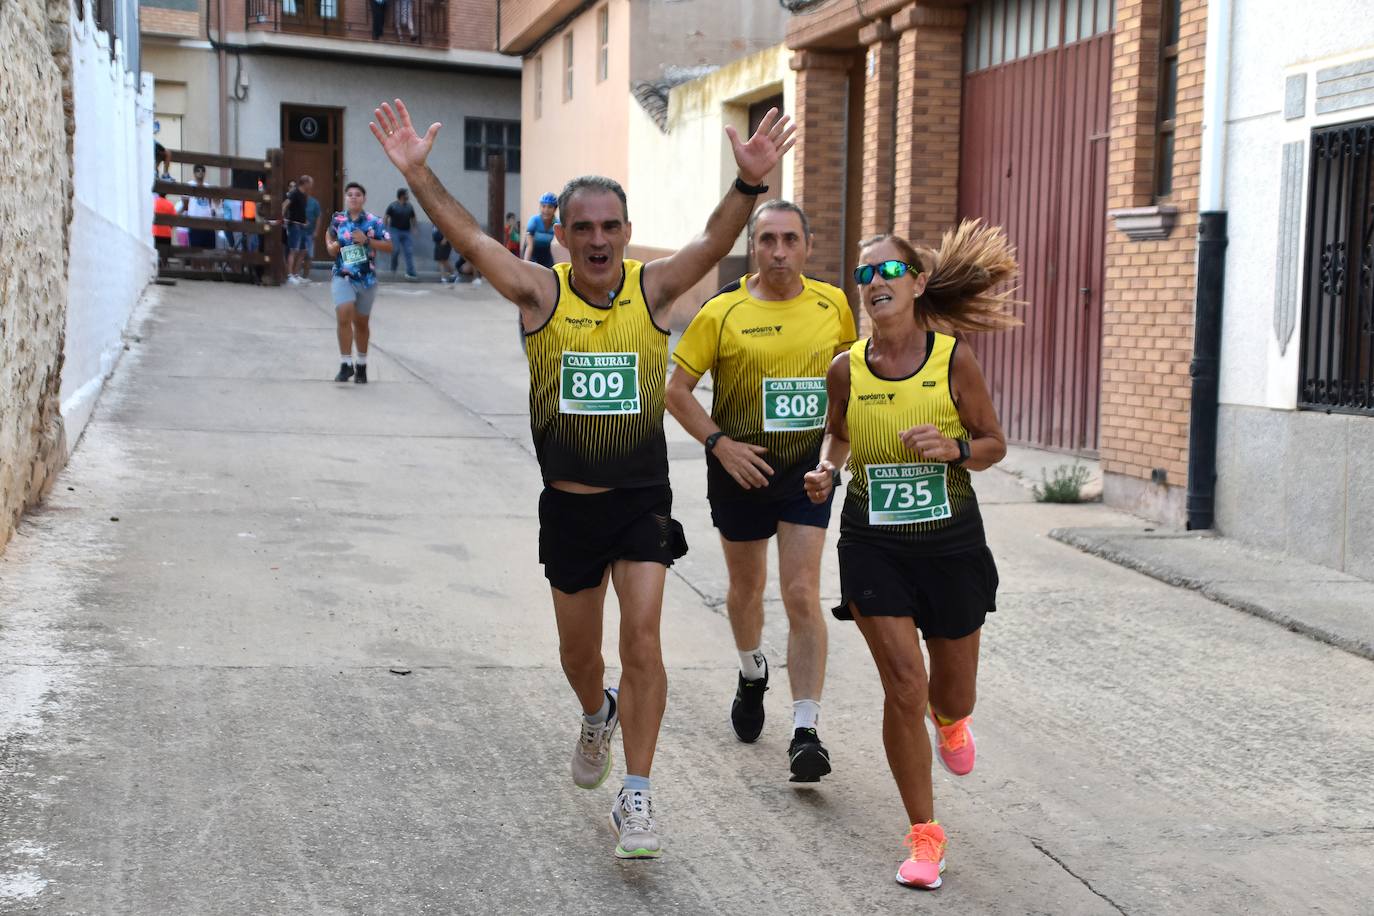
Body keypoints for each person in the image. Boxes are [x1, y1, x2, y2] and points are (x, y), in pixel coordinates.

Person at [370, 97, 794, 859]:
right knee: (581, 657)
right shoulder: (540, 294)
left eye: (610, 226)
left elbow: (710, 241)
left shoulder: (654, 291)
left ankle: (637, 796)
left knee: (643, 641)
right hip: (567, 511)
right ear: (561, 236)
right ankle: (595, 714)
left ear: (626, 234)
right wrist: (420, 173)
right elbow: (468, 237)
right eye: (583, 227)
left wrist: (748, 186)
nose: (598, 239)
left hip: (640, 504)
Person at [801, 221, 1019, 890]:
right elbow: (836, 436)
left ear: (918, 283)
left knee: (950, 693)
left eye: (886, 272)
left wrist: (954, 450)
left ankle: (951, 723)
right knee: (904, 684)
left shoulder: (954, 361)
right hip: (874, 544)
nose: (872, 285)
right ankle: (925, 836)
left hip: (950, 544)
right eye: (863, 275)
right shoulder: (846, 368)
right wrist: (825, 470)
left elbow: (993, 444)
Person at [665, 200, 855, 782]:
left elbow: (847, 397)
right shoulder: (721, 311)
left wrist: (833, 463)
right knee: (746, 590)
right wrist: (721, 444)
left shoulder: (833, 306)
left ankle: (805, 730)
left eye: (790, 239)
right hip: (740, 472)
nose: (779, 251)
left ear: (808, 245)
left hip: (805, 476)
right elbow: (677, 391)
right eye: (768, 239)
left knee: (802, 593)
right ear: (753, 245)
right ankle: (752, 672)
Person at [324, 182, 394, 384]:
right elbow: (328, 235)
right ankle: (346, 364)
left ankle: (361, 365)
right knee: (343, 315)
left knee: (361, 323)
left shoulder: (374, 222)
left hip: (366, 279)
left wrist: (367, 241)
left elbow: (389, 246)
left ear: (364, 198)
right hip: (342, 275)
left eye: (357, 195)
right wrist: (331, 246)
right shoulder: (338, 219)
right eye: (350, 194)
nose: (353, 198)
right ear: (345, 198)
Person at [179, 163, 217, 250]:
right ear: (194, 173)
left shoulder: (208, 187)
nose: (200, 173)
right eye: (198, 171)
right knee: (196, 252)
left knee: (210, 251)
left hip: (208, 223)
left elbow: (210, 204)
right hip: (195, 224)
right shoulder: (189, 186)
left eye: (202, 171)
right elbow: (185, 205)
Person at [285, 175, 314, 284]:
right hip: (295, 225)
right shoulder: (295, 193)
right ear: (305, 183)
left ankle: (296, 274)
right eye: (310, 183)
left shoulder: (304, 195)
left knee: (303, 250)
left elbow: (300, 210)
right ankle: (289, 275)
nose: (311, 186)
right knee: (293, 250)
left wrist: (305, 220)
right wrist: (284, 219)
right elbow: (285, 204)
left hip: (302, 225)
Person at [385, 187, 418, 279]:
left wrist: (414, 228)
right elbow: (386, 216)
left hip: (406, 232)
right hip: (394, 231)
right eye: (406, 194)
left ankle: (410, 272)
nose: (408, 196)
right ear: (402, 195)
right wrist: (384, 229)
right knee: (395, 250)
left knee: (409, 251)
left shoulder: (409, 206)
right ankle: (393, 266)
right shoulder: (393, 206)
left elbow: (413, 217)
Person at [522, 192, 558, 268]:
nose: (546, 210)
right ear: (540, 207)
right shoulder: (534, 221)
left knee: (551, 274)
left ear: (555, 209)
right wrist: (524, 266)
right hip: (532, 251)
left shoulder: (557, 223)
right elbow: (529, 246)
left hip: (546, 252)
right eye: (543, 206)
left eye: (550, 207)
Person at [152, 187, 175, 265]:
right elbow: (174, 220)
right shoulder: (170, 204)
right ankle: (165, 267)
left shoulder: (154, 203)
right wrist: (169, 227)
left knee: (155, 252)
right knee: (165, 254)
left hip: (155, 232)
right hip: (166, 233)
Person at [302, 189, 322, 279]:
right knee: (298, 254)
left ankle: (305, 276)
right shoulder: (298, 201)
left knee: (308, 255)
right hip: (298, 232)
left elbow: (318, 217)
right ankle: (294, 275)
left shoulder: (314, 202)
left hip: (310, 233)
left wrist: (316, 231)